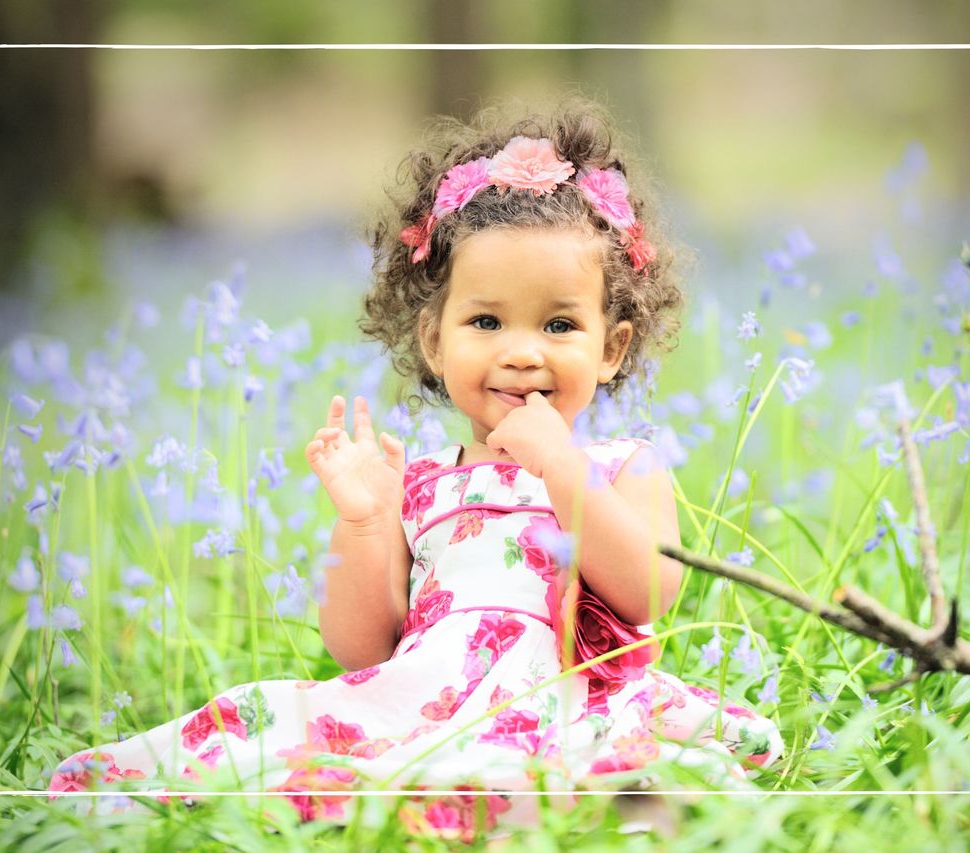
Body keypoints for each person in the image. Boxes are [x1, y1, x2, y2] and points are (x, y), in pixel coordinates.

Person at [48, 99, 783, 841]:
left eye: (559, 324)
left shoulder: (621, 468)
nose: (522, 351)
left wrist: (562, 469)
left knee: (629, 780)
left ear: (612, 348)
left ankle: (534, 803)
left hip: (567, 701)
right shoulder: (427, 482)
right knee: (306, 738)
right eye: (486, 322)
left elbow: (649, 589)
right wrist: (365, 518)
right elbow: (364, 647)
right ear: (435, 341)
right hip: (427, 698)